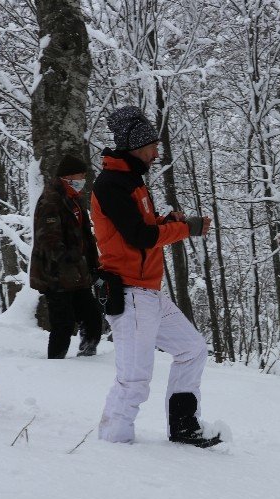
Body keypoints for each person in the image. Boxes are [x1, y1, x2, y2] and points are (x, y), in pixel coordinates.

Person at [92, 105, 220, 447]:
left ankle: (183, 427)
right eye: (151, 145)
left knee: (192, 349)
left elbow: (141, 232)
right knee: (134, 379)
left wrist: (165, 223)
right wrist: (183, 229)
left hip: (148, 292)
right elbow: (139, 237)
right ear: (135, 146)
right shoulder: (110, 184)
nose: (156, 152)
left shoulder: (132, 182)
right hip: (130, 292)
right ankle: (113, 446)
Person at [30, 154, 103, 359]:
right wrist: (70, 258)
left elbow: (85, 236)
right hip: (55, 275)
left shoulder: (75, 200)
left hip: (77, 274)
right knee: (63, 324)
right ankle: (56, 366)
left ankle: (88, 357)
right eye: (81, 175)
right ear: (68, 176)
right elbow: (49, 240)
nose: (83, 180)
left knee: (92, 317)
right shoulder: (51, 200)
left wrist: (93, 264)